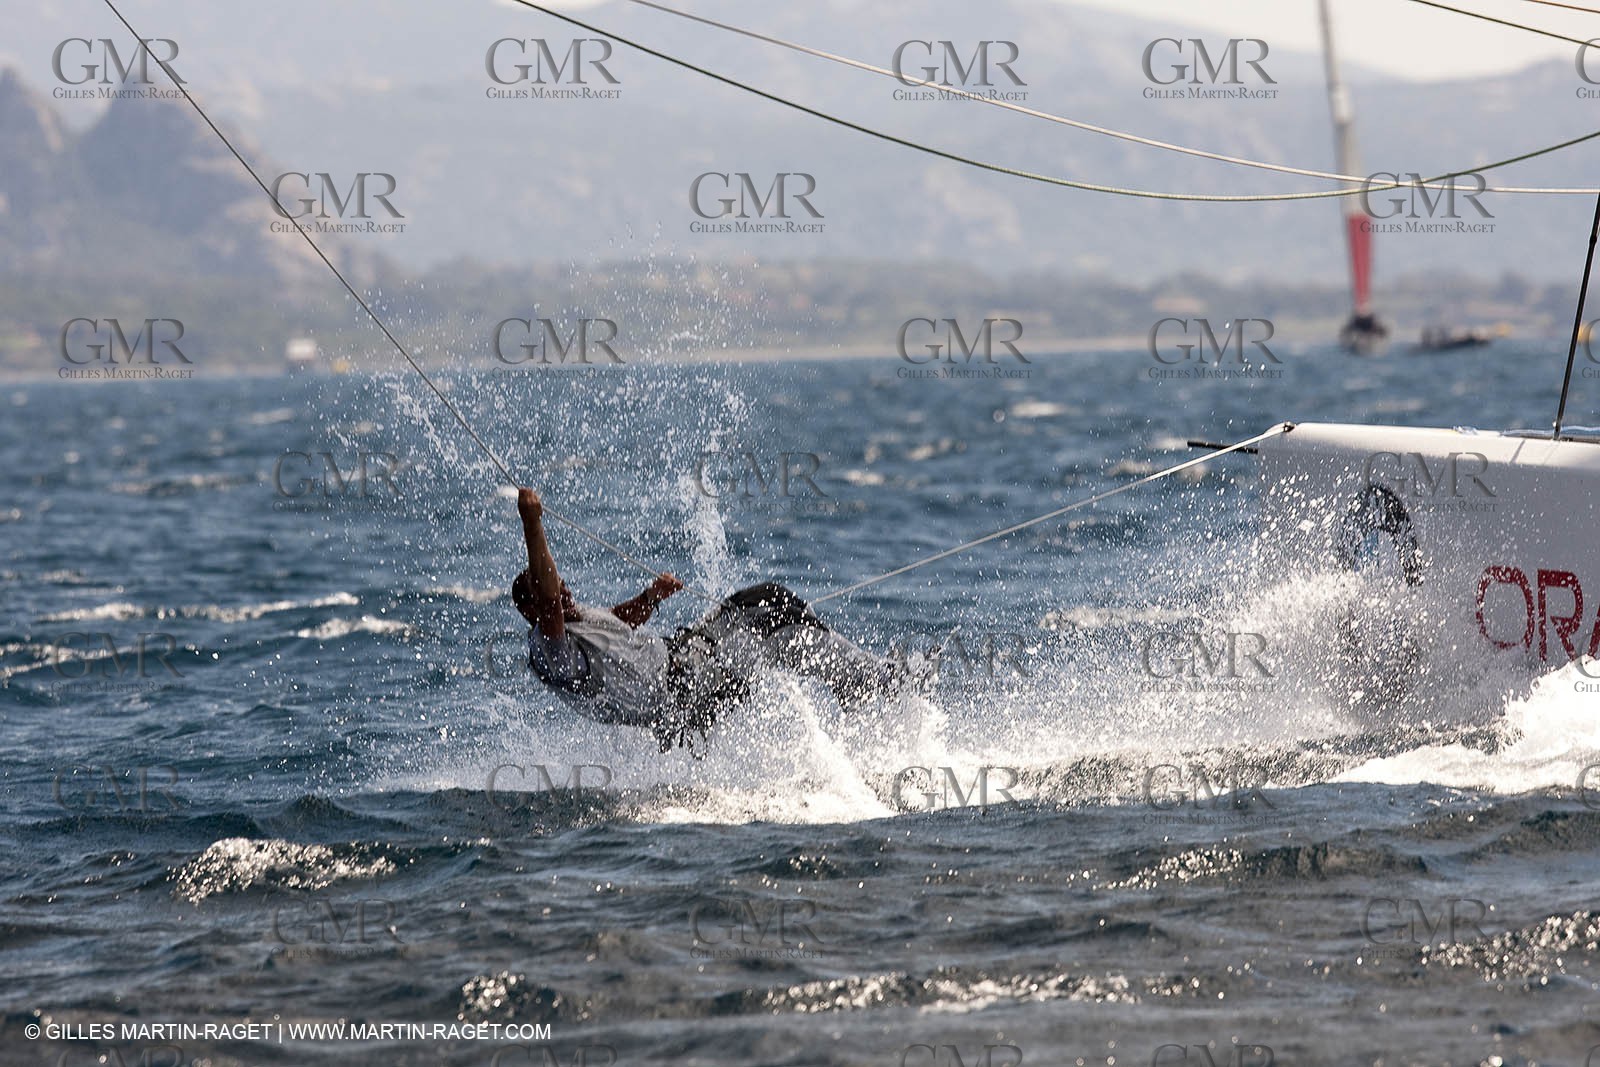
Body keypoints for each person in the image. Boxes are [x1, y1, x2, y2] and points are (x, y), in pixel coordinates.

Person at [511, 487, 914, 750]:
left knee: (767, 596)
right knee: (773, 629)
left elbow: (617, 624)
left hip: (683, 656)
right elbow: (549, 603)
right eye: (552, 586)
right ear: (533, 611)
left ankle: (851, 681)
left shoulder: (576, 616)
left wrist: (651, 596)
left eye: (561, 583)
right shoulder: (551, 651)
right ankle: (880, 680)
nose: (563, 590)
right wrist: (533, 523)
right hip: (684, 697)